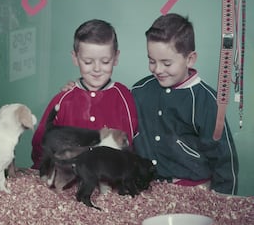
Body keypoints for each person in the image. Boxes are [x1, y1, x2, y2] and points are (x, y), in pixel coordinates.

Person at [131, 13, 239, 195]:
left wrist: (224, 203)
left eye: (166, 63)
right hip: (145, 189)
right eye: (151, 61)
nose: (157, 70)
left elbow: (223, 159)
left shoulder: (207, 100)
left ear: (190, 59)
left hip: (194, 191)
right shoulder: (139, 91)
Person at [31, 19, 138, 169]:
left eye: (105, 61)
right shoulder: (63, 99)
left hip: (108, 179)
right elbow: (40, 143)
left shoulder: (123, 97)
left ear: (116, 58)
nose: (96, 69)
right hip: (65, 175)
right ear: (75, 58)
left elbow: (129, 144)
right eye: (88, 62)